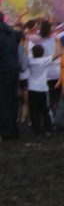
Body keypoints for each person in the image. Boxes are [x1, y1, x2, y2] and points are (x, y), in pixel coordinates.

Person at [0, 12, 22, 141]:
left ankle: (5, 130)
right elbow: (20, 35)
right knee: (12, 100)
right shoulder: (12, 33)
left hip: (2, 71)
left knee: (3, 102)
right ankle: (13, 129)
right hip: (13, 70)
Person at [25, 43, 53, 137]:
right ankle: (48, 128)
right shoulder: (45, 60)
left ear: (33, 53)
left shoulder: (30, 60)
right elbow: (57, 54)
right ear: (43, 52)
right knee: (45, 109)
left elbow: (26, 52)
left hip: (32, 88)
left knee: (34, 110)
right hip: (42, 88)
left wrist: (26, 41)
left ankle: (36, 130)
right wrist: (57, 42)